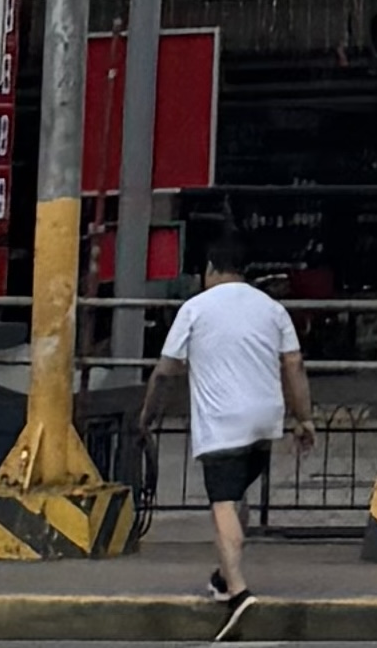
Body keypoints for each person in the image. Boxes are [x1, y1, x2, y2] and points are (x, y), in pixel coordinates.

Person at [140, 233, 314, 605]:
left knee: (222, 502)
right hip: (265, 420)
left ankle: (238, 591)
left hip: (222, 422)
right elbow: (294, 365)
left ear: (210, 269)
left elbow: (165, 371)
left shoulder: (196, 309)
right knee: (238, 497)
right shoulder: (272, 308)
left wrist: (148, 414)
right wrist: (305, 419)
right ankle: (222, 576)